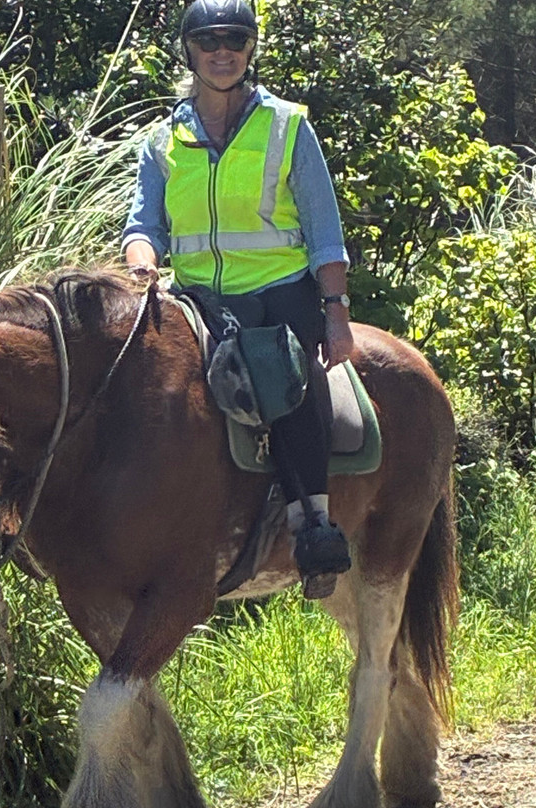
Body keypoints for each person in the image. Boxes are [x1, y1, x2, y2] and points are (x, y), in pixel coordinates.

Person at [121, 0, 355, 598]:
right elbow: (144, 226)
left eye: (235, 40)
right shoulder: (163, 141)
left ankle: (314, 526)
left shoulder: (288, 126)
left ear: (251, 49)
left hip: (278, 295)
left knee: (289, 379)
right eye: (209, 41)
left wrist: (335, 313)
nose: (221, 52)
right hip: (197, 299)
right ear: (189, 51)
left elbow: (325, 232)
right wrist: (143, 266)